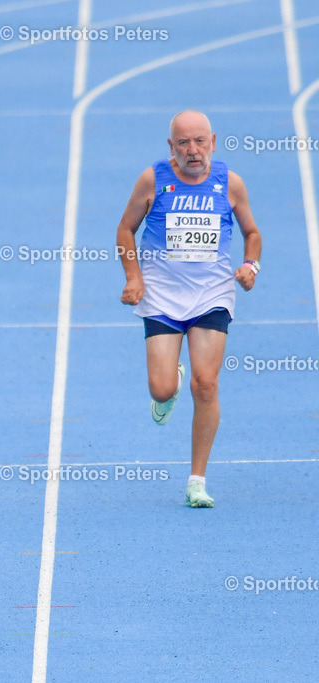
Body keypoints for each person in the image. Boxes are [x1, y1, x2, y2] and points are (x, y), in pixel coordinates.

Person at [117, 110, 261, 508]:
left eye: (199, 141)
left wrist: (251, 266)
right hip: (162, 296)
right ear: (171, 147)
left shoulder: (230, 184)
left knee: (207, 384)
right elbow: (125, 228)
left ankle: (197, 479)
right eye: (183, 143)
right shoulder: (153, 180)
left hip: (211, 295)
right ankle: (170, 384)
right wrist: (133, 276)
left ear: (213, 141)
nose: (192, 151)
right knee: (161, 388)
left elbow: (252, 233)